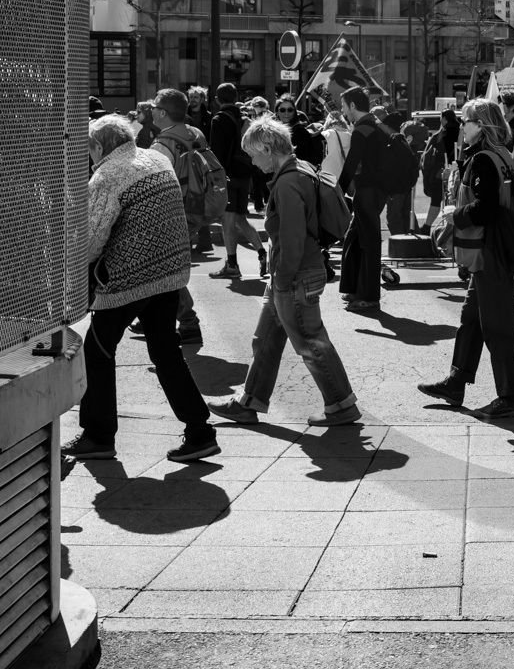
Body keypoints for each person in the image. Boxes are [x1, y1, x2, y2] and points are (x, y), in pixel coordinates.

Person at [65, 115, 219, 463]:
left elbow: (92, 240)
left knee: (97, 351)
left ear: (99, 146)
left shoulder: (108, 175)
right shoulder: (156, 159)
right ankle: (200, 432)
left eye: (89, 149)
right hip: (170, 271)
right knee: (166, 350)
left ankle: (98, 436)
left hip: (129, 278)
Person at [207, 116, 360, 427]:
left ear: (267, 149)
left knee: (310, 343)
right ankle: (249, 402)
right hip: (293, 272)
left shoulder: (288, 181)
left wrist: (283, 281)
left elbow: (292, 239)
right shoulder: (300, 169)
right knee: (265, 340)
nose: (252, 162)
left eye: (253, 154)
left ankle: (341, 405)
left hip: (294, 275)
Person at [417, 99, 514, 418]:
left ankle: (510, 396)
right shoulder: (502, 154)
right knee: (472, 319)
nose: (461, 126)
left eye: (466, 121)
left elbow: (486, 207)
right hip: (495, 246)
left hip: (489, 249)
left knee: (496, 326)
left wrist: (455, 215)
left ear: (481, 125)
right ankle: (456, 382)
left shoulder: (482, 159)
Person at [149, 88, 209, 342]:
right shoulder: (195, 134)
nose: (151, 110)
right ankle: (151, 317)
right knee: (168, 266)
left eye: (154, 107)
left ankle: (188, 321)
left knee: (165, 267)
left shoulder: (162, 144)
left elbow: (155, 186)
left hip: (171, 213)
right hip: (195, 206)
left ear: (163, 113)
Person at [208, 82, 267, 280]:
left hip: (228, 176)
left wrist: (214, 178)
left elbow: (216, 153)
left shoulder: (219, 119)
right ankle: (262, 252)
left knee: (228, 220)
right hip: (245, 174)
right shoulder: (245, 119)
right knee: (241, 218)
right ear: (236, 98)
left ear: (217, 99)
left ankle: (232, 265)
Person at [338, 86, 387, 313]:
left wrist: (337, 191)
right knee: (354, 238)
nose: (342, 110)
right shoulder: (374, 123)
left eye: (344, 106)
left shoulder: (362, 129)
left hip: (368, 191)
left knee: (369, 243)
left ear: (352, 106)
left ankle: (368, 297)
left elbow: (351, 163)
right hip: (374, 190)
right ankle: (354, 289)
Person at [274, 94, 323, 167]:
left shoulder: (300, 131)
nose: (286, 113)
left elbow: (304, 159)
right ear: (277, 112)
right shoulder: (273, 131)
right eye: (282, 110)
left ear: (294, 112)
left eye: (290, 110)